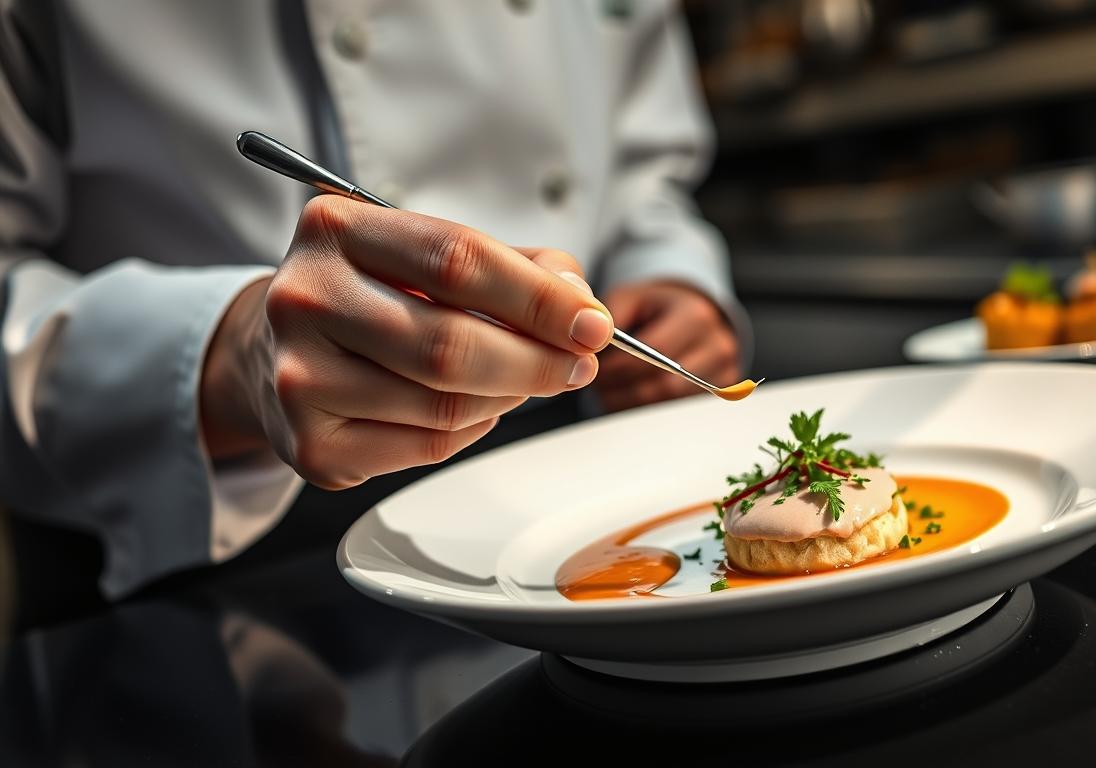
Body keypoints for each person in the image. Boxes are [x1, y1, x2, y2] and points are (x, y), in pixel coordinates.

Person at [0, 1, 747, 597]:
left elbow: (646, 171)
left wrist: (669, 276)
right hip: (211, 568)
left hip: (574, 503)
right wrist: (227, 357)